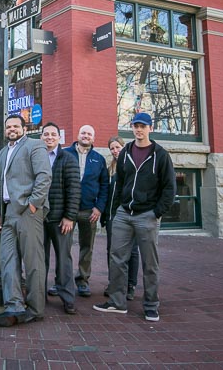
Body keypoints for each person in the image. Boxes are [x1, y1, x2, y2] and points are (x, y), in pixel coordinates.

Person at [94, 112, 175, 322]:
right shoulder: (126, 151)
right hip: (124, 214)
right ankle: (117, 302)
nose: (139, 130)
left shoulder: (160, 155)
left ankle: (150, 305)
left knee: (150, 263)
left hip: (147, 215)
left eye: (143, 126)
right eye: (136, 126)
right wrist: (118, 208)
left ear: (150, 128)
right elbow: (120, 183)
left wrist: (156, 212)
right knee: (117, 258)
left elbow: (169, 189)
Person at [0, 115, 52, 327]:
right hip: (7, 212)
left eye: (16, 126)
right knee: (8, 260)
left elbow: (44, 176)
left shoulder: (35, 145)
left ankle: (35, 309)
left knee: (33, 261)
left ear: (24, 128)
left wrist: (34, 204)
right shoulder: (3, 151)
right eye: (8, 127)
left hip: (28, 211)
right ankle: (14, 305)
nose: (12, 129)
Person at [63, 124, 109, 297]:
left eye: (89, 134)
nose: (86, 136)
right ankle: (63, 281)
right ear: (78, 134)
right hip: (67, 211)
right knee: (63, 247)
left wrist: (99, 208)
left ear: (93, 138)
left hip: (89, 211)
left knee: (87, 247)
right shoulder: (66, 153)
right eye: (83, 132)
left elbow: (105, 185)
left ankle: (82, 280)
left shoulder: (98, 159)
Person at [40, 122, 81, 315]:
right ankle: (39, 295)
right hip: (38, 218)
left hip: (60, 219)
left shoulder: (68, 158)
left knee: (64, 259)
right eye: (46, 134)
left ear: (59, 137)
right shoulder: (37, 157)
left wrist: (69, 216)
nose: (49, 137)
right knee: (40, 260)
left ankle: (67, 298)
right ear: (41, 137)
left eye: (53, 134)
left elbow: (74, 190)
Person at [101, 136, 140, 300]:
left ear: (124, 147)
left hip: (130, 216)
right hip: (112, 217)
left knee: (131, 251)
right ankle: (115, 283)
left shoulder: (133, 165)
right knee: (112, 251)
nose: (115, 151)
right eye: (112, 148)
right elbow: (107, 193)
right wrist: (104, 215)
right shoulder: (110, 168)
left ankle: (130, 285)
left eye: (117, 147)